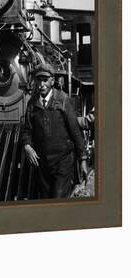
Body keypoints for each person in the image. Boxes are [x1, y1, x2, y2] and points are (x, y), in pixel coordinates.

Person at [21, 63, 88, 199]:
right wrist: (27, 146)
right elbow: (27, 130)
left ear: (52, 81)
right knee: (46, 200)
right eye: (39, 80)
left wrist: (83, 158)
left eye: (45, 80)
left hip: (62, 163)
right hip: (42, 164)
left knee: (58, 199)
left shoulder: (62, 100)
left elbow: (75, 131)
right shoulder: (32, 103)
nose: (41, 84)